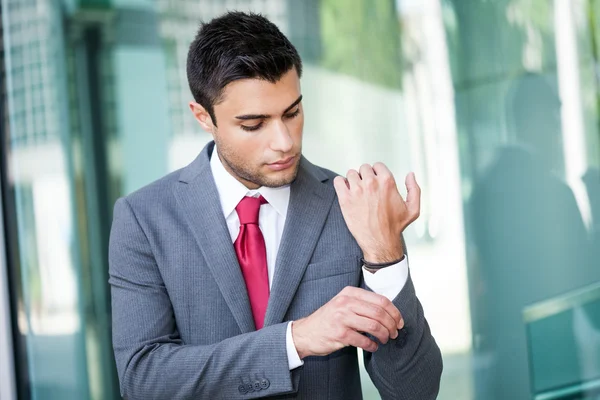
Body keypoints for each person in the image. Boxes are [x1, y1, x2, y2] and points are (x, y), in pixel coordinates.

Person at [108, 11, 442, 400]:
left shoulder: (346, 206)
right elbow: (143, 380)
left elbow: (415, 391)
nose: (284, 141)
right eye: (254, 124)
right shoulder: (144, 220)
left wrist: (386, 257)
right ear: (204, 117)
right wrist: (294, 340)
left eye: (292, 112)